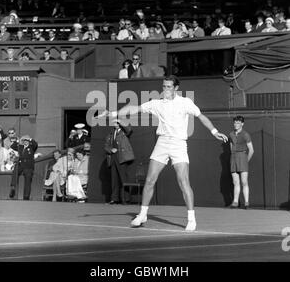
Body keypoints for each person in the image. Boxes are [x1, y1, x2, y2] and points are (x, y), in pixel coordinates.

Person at [97, 75, 228, 231]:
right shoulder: (156, 104)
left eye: (169, 87)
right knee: (150, 179)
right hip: (162, 143)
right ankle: (142, 215)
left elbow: (201, 117)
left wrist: (215, 131)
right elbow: (134, 108)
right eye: (164, 86)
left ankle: (191, 219)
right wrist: (112, 114)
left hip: (179, 144)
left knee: (183, 181)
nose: (165, 89)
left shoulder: (185, 103)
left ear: (176, 88)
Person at [104, 120, 134, 204]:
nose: (116, 124)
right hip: (113, 158)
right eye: (115, 123)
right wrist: (110, 150)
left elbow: (129, 129)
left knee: (123, 179)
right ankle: (115, 199)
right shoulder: (111, 134)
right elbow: (106, 146)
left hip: (122, 158)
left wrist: (121, 121)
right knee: (114, 179)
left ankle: (126, 198)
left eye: (117, 123)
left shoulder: (124, 132)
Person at [229, 116, 254, 209]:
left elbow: (251, 150)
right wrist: (233, 156)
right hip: (233, 158)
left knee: (244, 182)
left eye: (238, 123)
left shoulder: (245, 134)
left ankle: (246, 202)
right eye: (235, 123)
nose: (236, 124)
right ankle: (235, 202)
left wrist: (245, 160)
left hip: (242, 158)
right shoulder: (231, 134)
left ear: (242, 124)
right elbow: (231, 147)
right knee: (235, 182)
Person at [9, 135, 38, 200]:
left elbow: (35, 144)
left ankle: (26, 196)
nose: (26, 142)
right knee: (15, 169)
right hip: (21, 165)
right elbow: (12, 146)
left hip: (28, 166)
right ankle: (13, 187)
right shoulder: (20, 147)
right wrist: (18, 141)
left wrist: (30, 139)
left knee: (28, 179)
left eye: (27, 140)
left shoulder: (32, 147)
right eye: (24, 140)